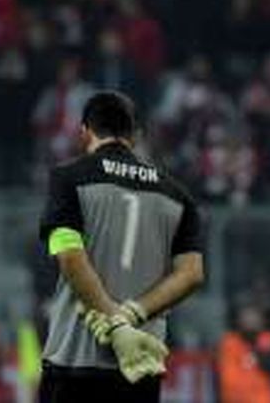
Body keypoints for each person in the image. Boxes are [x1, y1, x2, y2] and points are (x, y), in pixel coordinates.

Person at [38, 91, 205, 402]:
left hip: (75, 361)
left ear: (84, 132)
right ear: (136, 134)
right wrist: (131, 314)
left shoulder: (68, 178)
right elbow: (192, 274)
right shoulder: (179, 196)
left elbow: (70, 257)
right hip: (139, 367)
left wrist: (114, 324)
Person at [217, 304, 270, 403]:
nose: (250, 322)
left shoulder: (267, 340)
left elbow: (269, 365)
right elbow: (219, 373)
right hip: (232, 398)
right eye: (246, 318)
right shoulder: (229, 342)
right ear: (239, 320)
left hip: (259, 399)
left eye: (253, 318)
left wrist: (256, 347)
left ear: (261, 320)